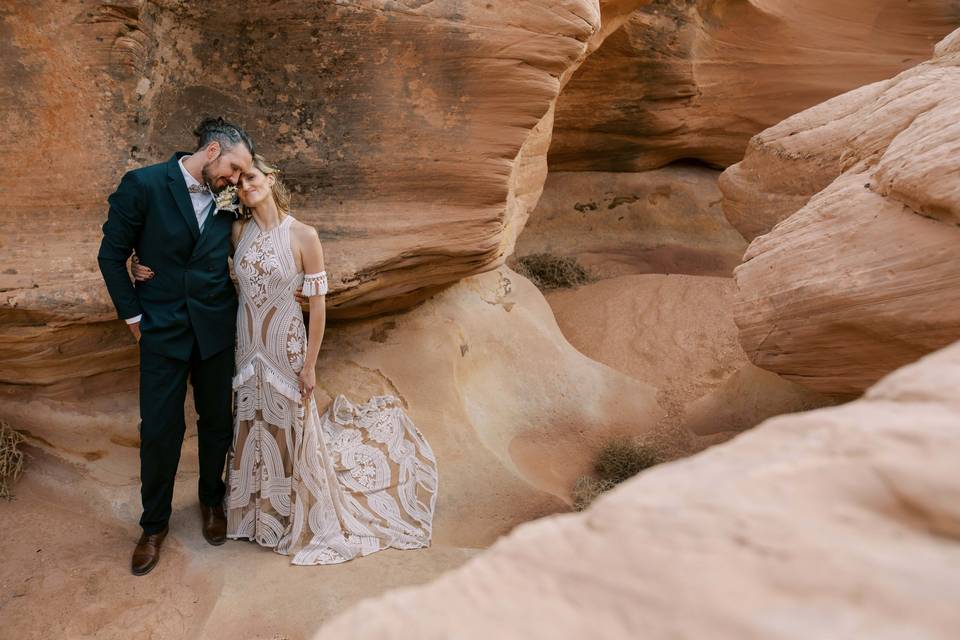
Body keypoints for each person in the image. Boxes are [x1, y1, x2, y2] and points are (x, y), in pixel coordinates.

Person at [132, 155, 439, 565]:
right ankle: (253, 512)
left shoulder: (304, 235)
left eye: (252, 177)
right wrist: (137, 263)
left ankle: (289, 509)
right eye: (239, 185)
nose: (246, 187)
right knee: (247, 423)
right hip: (246, 345)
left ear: (272, 178)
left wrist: (310, 365)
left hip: (287, 346)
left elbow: (319, 305)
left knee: (287, 423)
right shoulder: (236, 232)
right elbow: (190, 253)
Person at [98, 117, 255, 575]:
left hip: (215, 331)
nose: (235, 180)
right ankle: (153, 526)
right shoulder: (143, 184)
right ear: (211, 152)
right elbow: (111, 254)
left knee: (217, 423)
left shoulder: (230, 195)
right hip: (161, 330)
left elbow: (260, 223)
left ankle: (212, 501)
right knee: (159, 430)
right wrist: (133, 316)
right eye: (232, 168)